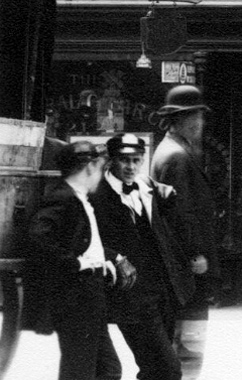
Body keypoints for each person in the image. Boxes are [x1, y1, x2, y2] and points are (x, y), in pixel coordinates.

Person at [93, 135, 190, 380]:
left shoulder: (147, 187)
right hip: (131, 296)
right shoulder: (96, 195)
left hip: (163, 290)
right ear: (111, 161)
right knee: (168, 370)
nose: (131, 167)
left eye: (136, 160)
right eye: (124, 160)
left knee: (154, 370)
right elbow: (82, 238)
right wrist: (114, 256)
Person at [25, 137, 122, 380]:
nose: (100, 175)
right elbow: (38, 238)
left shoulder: (78, 198)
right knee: (80, 371)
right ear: (90, 167)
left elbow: (83, 240)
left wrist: (102, 261)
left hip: (90, 295)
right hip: (76, 298)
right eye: (100, 168)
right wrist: (77, 263)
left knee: (108, 370)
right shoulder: (63, 197)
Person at [151, 87, 217, 380]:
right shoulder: (177, 156)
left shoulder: (171, 149)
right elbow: (181, 212)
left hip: (176, 257)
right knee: (190, 330)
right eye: (196, 117)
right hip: (185, 260)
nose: (200, 124)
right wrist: (195, 253)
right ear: (181, 120)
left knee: (181, 328)